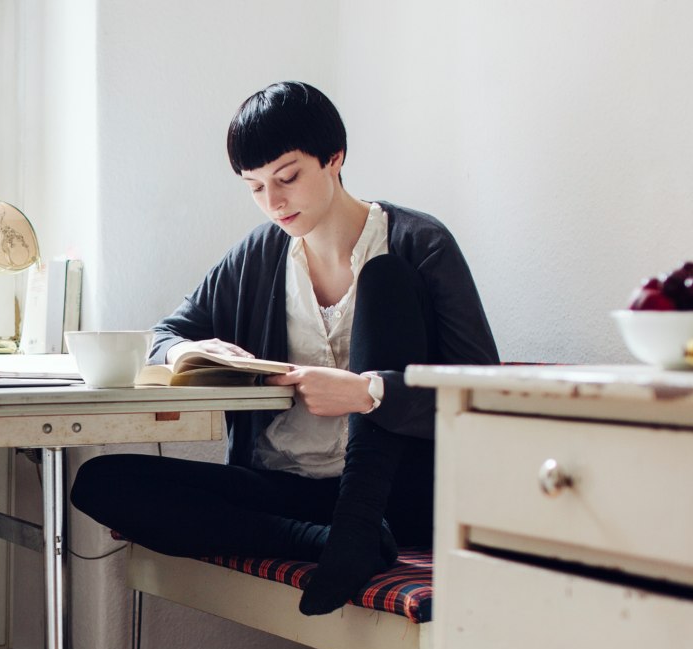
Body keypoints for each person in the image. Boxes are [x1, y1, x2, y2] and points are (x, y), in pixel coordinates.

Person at [70, 81, 499, 615]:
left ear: (334, 158)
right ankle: (324, 544)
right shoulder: (259, 255)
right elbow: (163, 336)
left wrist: (369, 392)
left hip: (392, 496)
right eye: (254, 187)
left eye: (287, 177)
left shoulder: (418, 243)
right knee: (100, 483)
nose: (273, 202)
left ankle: (357, 528)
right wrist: (192, 352)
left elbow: (483, 393)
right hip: (287, 489)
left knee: (386, 280)